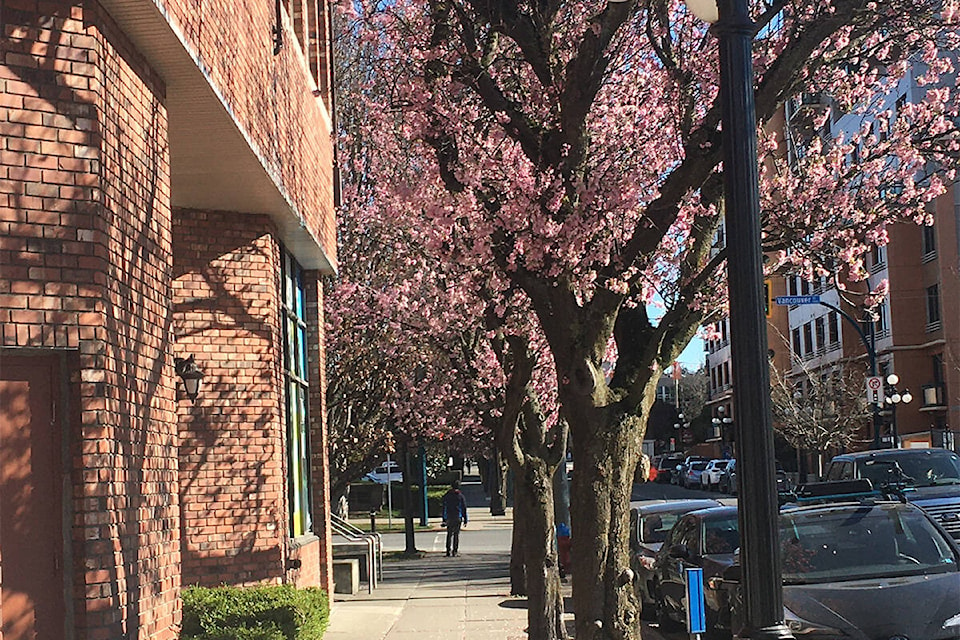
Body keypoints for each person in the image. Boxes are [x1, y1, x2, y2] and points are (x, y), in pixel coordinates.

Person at [442, 479, 468, 556]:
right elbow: (464, 508)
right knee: (456, 535)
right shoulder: (460, 496)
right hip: (458, 516)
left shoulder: (447, 495)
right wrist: (465, 519)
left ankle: (448, 551)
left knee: (449, 534)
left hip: (449, 516)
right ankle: (455, 551)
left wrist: (444, 518)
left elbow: (444, 506)